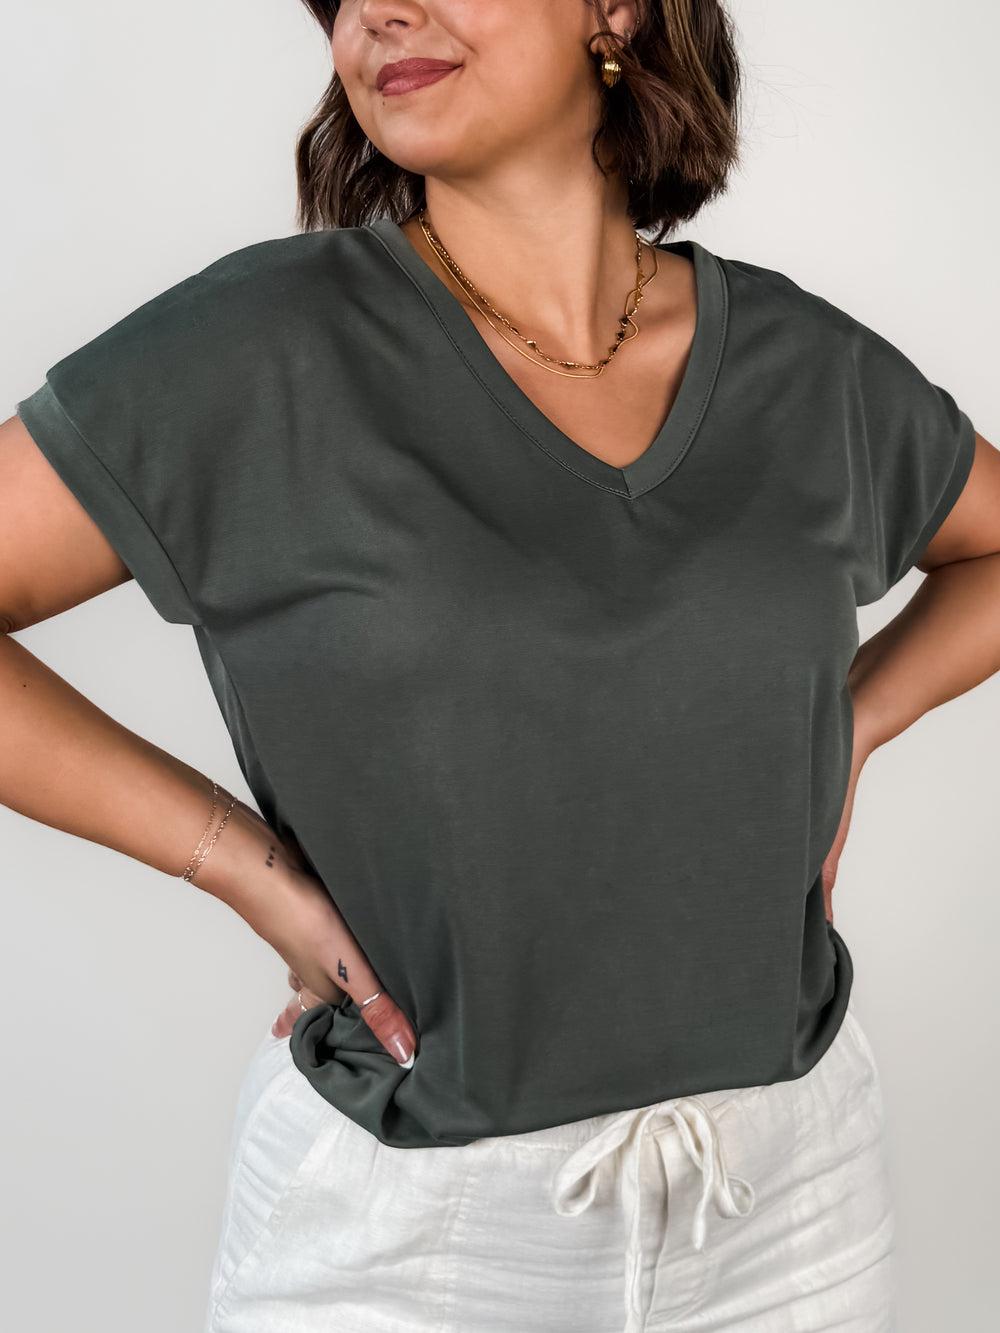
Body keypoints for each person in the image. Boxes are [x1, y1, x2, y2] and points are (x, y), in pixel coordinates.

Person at [2, 1, 998, 1329]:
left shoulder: (803, 367)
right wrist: (231, 859)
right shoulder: (261, 349)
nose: (378, 14)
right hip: (418, 1242)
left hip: (791, 1208)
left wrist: (853, 721)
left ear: (615, 9)